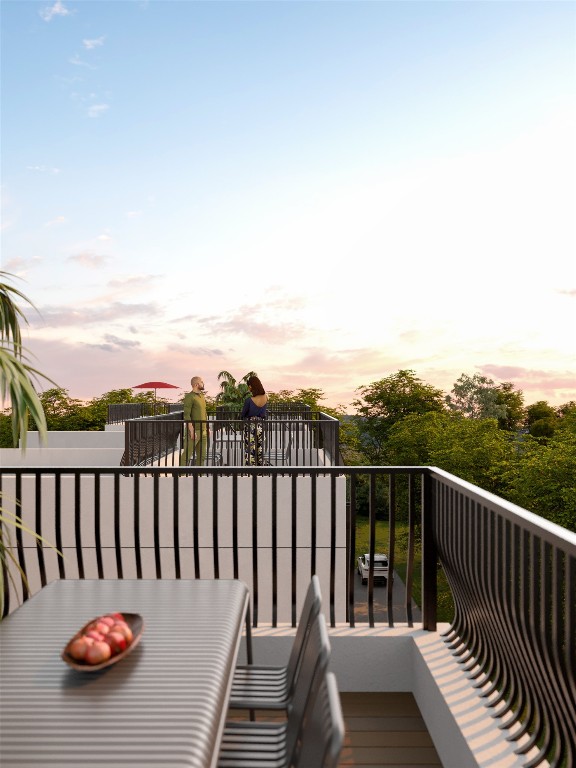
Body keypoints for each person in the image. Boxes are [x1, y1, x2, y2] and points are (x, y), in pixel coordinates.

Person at [179, 376, 208, 466]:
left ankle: (199, 477)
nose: (203, 383)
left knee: (202, 456)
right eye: (201, 382)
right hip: (194, 431)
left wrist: (207, 427)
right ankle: (180, 476)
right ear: (196, 384)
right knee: (187, 455)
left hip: (203, 431)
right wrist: (191, 430)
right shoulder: (189, 397)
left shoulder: (202, 396)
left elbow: (204, 412)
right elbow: (187, 415)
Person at [241, 375, 268, 466]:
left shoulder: (249, 400)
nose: (248, 388)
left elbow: (243, 414)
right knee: (260, 448)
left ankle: (250, 471)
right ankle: (260, 470)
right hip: (260, 425)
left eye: (249, 386)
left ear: (251, 386)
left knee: (250, 449)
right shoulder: (265, 397)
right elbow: (264, 413)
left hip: (250, 425)